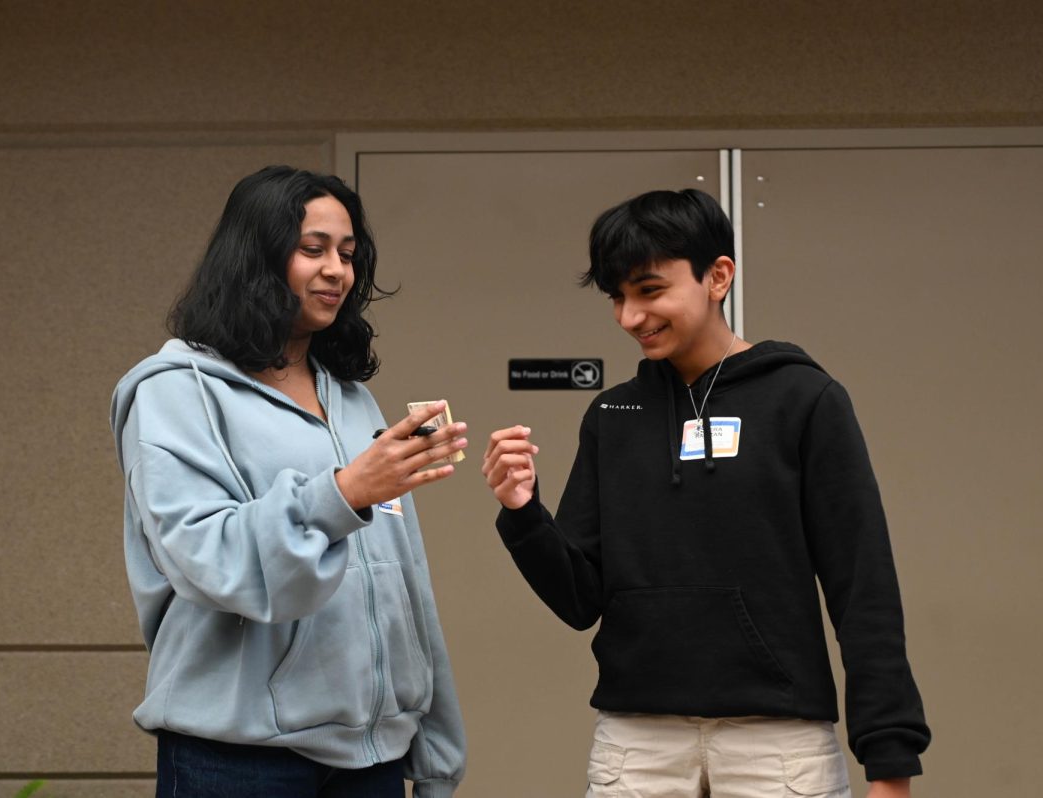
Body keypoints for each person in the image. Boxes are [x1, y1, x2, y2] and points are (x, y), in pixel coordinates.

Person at [482, 189, 929, 798]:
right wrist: (522, 512)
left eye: (649, 290)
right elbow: (579, 599)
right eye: (617, 297)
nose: (629, 317)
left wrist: (891, 761)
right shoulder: (612, 414)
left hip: (778, 746)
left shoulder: (804, 400)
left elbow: (864, 586)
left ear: (718, 276)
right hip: (636, 745)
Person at [111, 166, 467, 798]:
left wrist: (436, 754)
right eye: (313, 250)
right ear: (257, 257)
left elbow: (405, 580)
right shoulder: (174, 392)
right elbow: (205, 558)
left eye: (349, 254)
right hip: (236, 758)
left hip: (373, 757)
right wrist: (344, 494)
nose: (338, 270)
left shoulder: (353, 400)